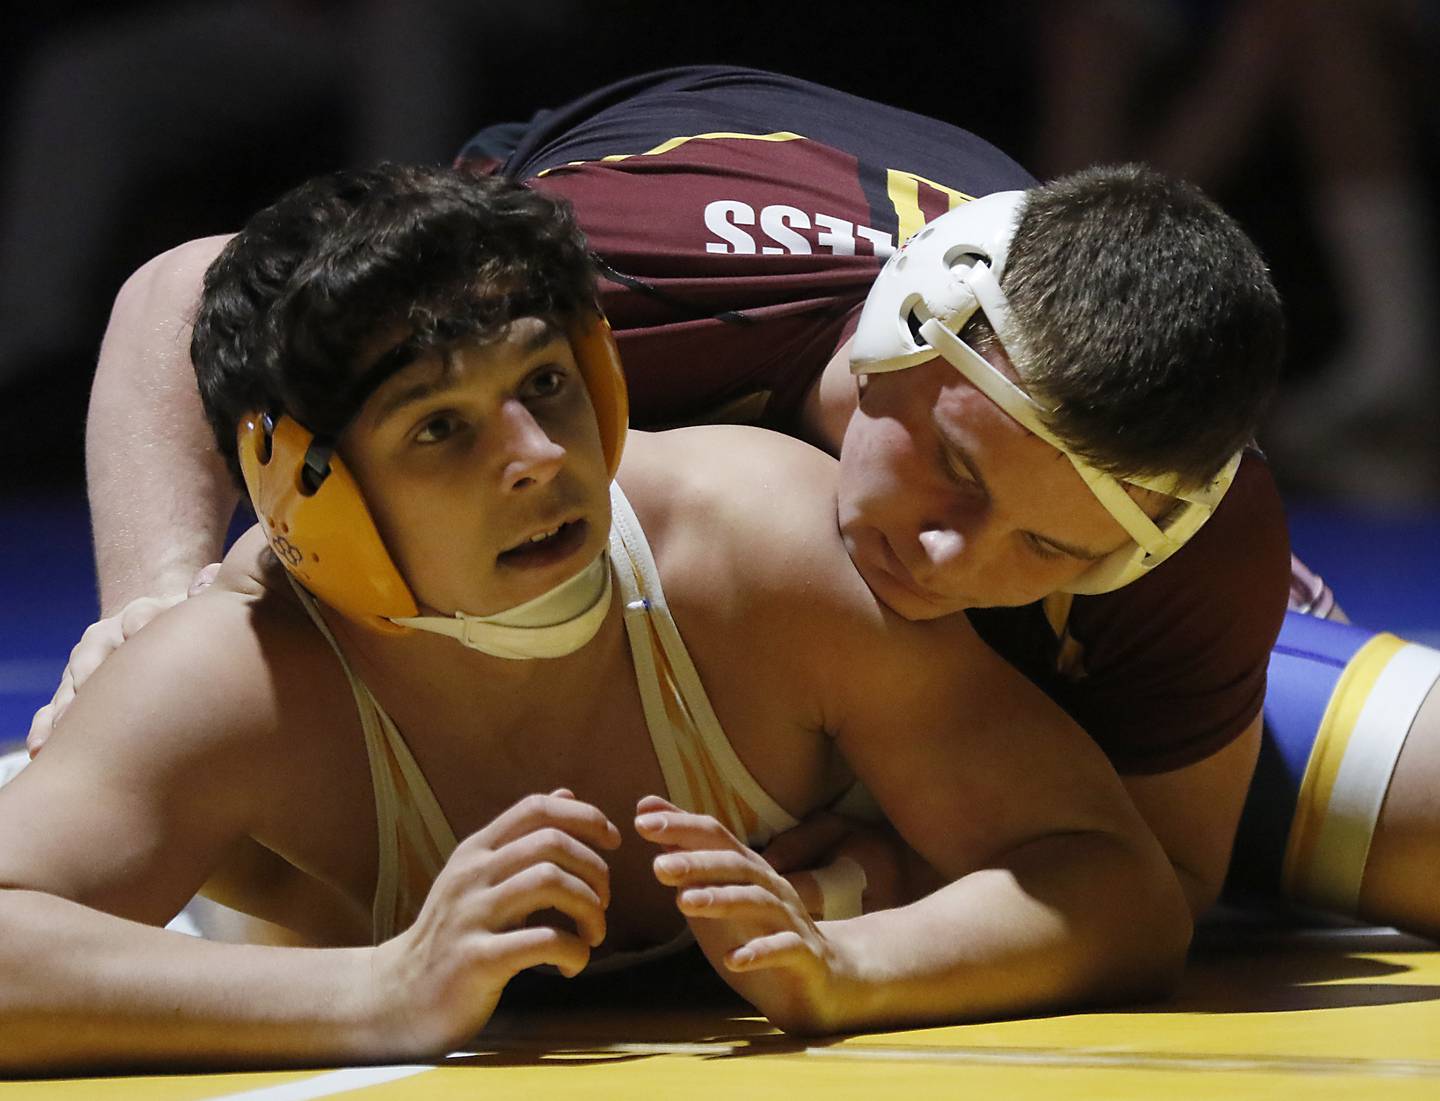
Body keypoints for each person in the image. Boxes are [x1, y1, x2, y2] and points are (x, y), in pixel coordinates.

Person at [38, 68, 1440, 936]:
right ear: (898, 336)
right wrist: (150, 612)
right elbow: (194, 289)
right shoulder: (627, 278)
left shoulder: (1193, 538)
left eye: (1051, 548)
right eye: (952, 471)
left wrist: (877, 879)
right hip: (528, 684)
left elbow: (1159, 890)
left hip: (950, 737)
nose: (954, 559)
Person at [0, 164, 1189, 1074]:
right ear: (311, 490)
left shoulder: (754, 553)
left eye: (546, 387)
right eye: (440, 429)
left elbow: (1118, 881)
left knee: (1375, 823)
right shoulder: (233, 677)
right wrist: (379, 991)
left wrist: (854, 964)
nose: (533, 459)